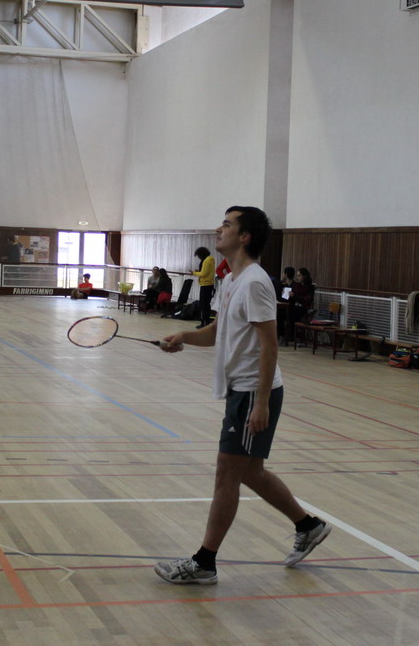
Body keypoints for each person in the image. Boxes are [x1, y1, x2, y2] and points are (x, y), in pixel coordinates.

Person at [154, 206, 331, 584]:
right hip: (242, 392)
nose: (219, 229)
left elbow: (270, 344)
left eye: (227, 224)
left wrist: (262, 402)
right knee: (250, 471)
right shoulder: (231, 280)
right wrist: (183, 336)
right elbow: (217, 332)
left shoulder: (254, 283)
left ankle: (204, 562)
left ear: (245, 236)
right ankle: (308, 525)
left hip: (253, 393)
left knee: (227, 474)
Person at [285, 268, 315, 345]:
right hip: (295, 306)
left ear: (304, 276)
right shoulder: (296, 285)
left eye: (299, 275)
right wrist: (286, 294)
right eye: (297, 275)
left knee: (292, 314)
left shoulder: (310, 287)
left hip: (304, 308)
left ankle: (293, 335)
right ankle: (286, 335)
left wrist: (295, 296)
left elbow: (307, 299)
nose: (298, 277)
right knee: (284, 312)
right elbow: (292, 296)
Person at [192, 246, 216, 329]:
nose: (198, 257)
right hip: (209, 284)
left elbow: (203, 274)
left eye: (198, 255)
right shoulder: (211, 260)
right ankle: (206, 321)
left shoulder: (206, 260)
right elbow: (205, 272)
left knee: (204, 305)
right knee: (206, 304)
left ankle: (204, 322)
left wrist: (194, 273)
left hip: (205, 285)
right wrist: (199, 272)